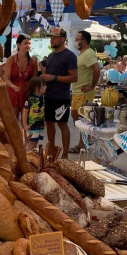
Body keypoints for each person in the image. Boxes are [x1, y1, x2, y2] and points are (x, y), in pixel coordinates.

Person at [43, 27, 78, 159]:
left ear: (63, 39)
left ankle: (65, 155)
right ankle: (51, 151)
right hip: (49, 95)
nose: (52, 39)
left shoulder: (69, 55)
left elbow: (74, 77)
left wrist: (54, 77)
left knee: (62, 124)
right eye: (51, 37)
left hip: (61, 96)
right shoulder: (51, 55)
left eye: (55, 37)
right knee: (49, 122)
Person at [69, 30, 100, 154]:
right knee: (75, 116)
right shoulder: (82, 54)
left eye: (77, 39)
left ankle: (82, 144)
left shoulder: (89, 53)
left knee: (82, 119)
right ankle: (88, 138)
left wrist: (92, 86)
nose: (75, 41)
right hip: (77, 91)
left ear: (84, 41)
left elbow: (97, 70)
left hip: (84, 93)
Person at [4, 34, 38, 121]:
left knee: (26, 122)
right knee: (13, 121)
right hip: (13, 91)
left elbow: (35, 79)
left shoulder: (33, 61)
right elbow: (6, 79)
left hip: (27, 93)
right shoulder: (11, 60)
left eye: (29, 43)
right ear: (18, 45)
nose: (28, 45)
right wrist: (12, 86)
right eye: (25, 43)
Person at [22, 76, 46, 151]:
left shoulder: (42, 97)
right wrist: (25, 124)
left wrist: (43, 120)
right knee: (32, 143)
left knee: (36, 141)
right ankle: (30, 156)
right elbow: (25, 112)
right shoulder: (30, 99)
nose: (46, 87)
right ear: (36, 88)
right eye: (43, 85)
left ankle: (32, 155)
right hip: (32, 125)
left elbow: (42, 110)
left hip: (39, 124)